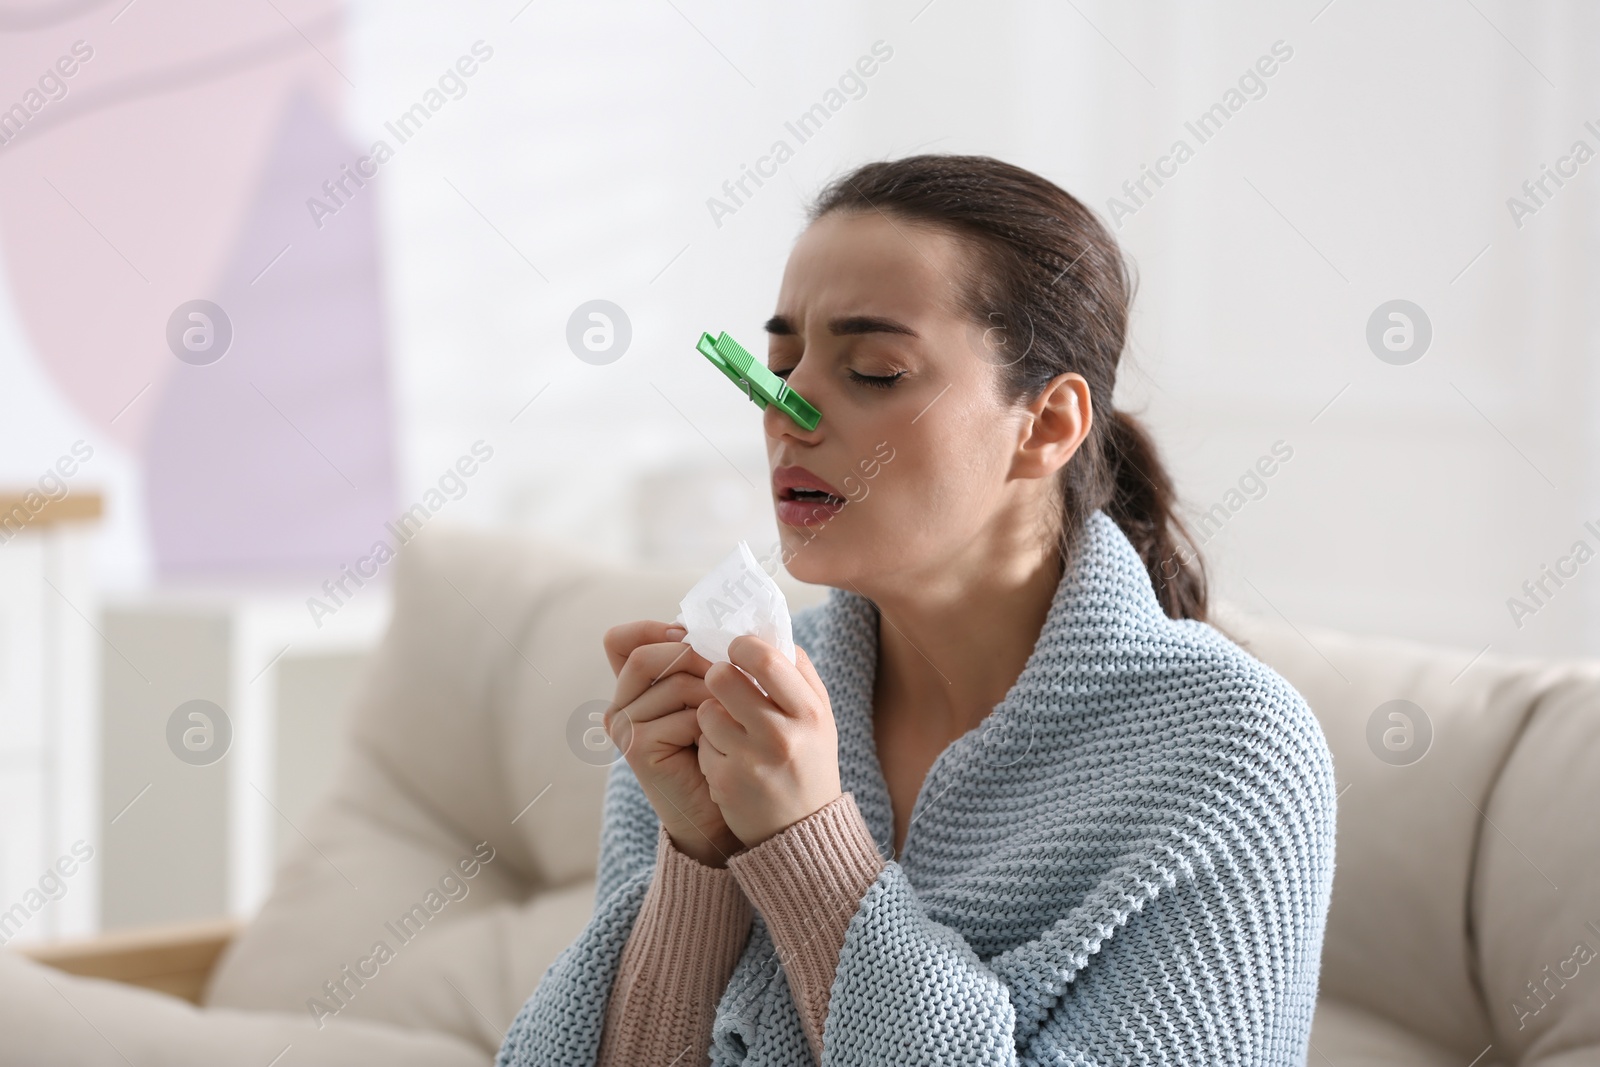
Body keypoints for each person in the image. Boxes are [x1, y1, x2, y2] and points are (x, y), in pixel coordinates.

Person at [496, 154, 1337, 1066]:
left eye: (874, 370)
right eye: (778, 365)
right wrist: (700, 861)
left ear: (1048, 423)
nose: (789, 413)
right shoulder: (727, 715)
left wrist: (807, 849)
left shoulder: (1234, 754)